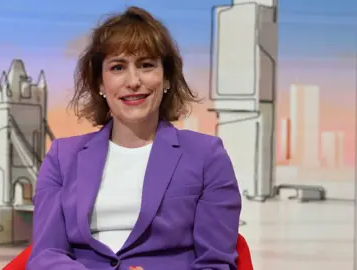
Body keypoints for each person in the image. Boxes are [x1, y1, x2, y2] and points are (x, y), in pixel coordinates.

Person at [26, 6, 241, 270]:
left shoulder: (207, 155)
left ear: (166, 79)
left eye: (146, 65)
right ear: (100, 84)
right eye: (118, 67)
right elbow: (46, 255)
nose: (133, 81)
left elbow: (215, 264)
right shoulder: (62, 157)